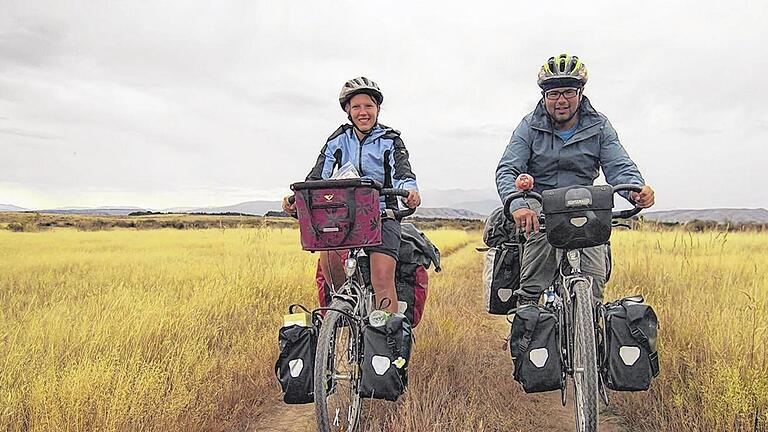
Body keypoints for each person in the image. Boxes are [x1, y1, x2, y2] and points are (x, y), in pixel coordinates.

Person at [495, 53, 655, 303]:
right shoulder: (529, 126)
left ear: (580, 93)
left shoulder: (600, 126)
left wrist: (635, 190)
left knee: (594, 282)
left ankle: (590, 322)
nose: (561, 100)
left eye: (568, 92)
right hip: (542, 200)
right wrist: (518, 206)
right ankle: (527, 311)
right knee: (538, 240)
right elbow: (507, 169)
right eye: (554, 94)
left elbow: (619, 165)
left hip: (584, 201)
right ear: (544, 96)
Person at [283, 77, 420, 313]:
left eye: (369, 106)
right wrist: (297, 199)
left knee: (382, 280)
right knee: (333, 277)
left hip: (382, 215)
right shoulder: (338, 140)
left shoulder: (390, 140)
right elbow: (317, 177)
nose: (363, 112)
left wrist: (410, 190)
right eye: (356, 106)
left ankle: (387, 344)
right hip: (343, 216)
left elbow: (402, 171)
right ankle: (342, 315)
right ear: (348, 110)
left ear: (377, 109)